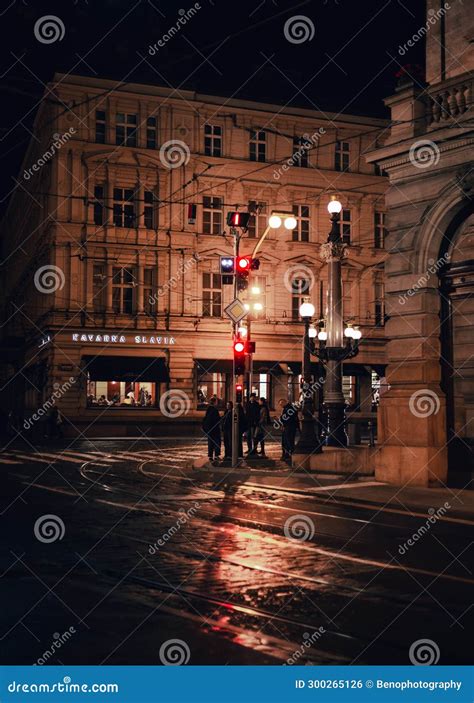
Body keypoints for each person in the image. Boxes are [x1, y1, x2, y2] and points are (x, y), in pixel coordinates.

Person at [202, 396, 221, 462]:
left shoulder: (208, 410)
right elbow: (216, 420)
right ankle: (216, 455)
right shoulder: (214, 410)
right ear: (215, 402)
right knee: (216, 442)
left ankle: (210, 455)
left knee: (210, 443)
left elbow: (205, 419)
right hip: (215, 430)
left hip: (209, 430)